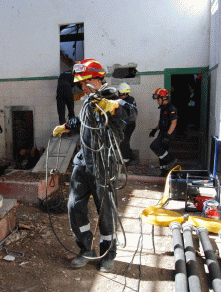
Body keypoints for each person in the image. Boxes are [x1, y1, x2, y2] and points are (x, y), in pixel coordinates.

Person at [52, 59, 137, 272]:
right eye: (80, 84)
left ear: (98, 79)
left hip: (104, 163)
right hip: (83, 161)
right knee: (74, 205)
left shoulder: (111, 96)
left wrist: (113, 105)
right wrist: (65, 126)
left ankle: (108, 252)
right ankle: (86, 248)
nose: (82, 87)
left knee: (106, 211)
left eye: (85, 82)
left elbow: (132, 112)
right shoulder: (90, 100)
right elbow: (82, 121)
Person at [149, 88, 178, 176]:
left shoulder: (171, 108)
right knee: (161, 154)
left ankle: (171, 160)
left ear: (164, 98)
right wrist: (155, 129)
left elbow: (174, 122)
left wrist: (168, 136)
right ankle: (164, 171)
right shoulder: (163, 108)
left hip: (167, 134)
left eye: (158, 99)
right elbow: (162, 122)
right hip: (162, 132)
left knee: (154, 146)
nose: (157, 101)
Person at [117, 82, 138, 165]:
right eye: (122, 94)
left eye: (125, 94)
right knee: (124, 141)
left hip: (130, 124)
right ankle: (131, 156)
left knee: (124, 141)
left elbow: (131, 112)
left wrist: (122, 103)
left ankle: (126, 161)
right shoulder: (118, 98)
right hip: (122, 124)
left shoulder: (130, 99)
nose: (123, 95)